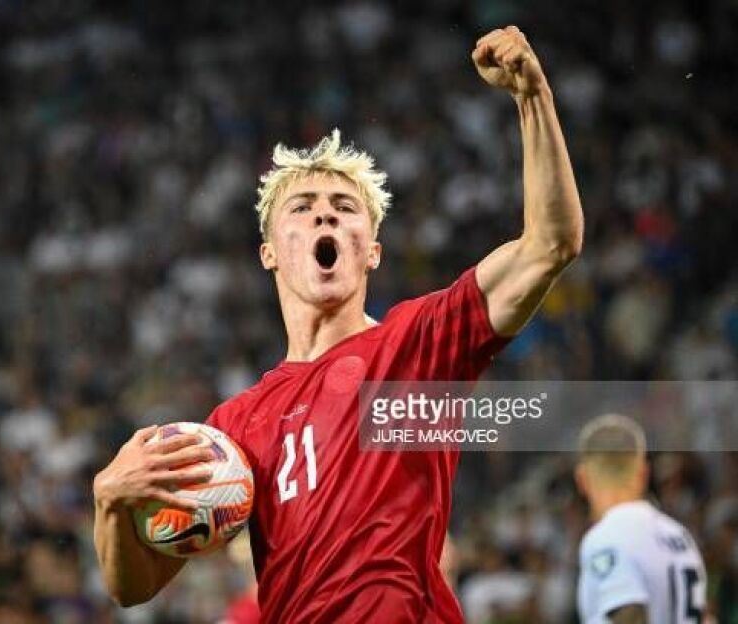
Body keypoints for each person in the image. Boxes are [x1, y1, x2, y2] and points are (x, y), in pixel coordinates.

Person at [93, 25, 583, 622]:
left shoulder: (417, 345)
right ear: (270, 252)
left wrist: (533, 98)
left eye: (344, 207)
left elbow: (551, 243)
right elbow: (133, 588)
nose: (324, 214)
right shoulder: (233, 427)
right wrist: (111, 501)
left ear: (371, 250)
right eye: (302, 207)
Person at [575, 414, 708, 623]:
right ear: (644, 473)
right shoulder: (680, 536)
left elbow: (630, 615)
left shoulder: (605, 538)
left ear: (582, 479)